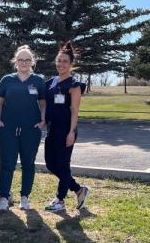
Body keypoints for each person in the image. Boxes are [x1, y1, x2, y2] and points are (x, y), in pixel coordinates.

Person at [0, 45, 46, 211]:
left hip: (31, 129)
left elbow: (44, 103)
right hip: (8, 128)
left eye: (27, 60)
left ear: (32, 62)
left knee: (28, 164)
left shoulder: (38, 81)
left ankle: (24, 197)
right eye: (21, 60)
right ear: (16, 62)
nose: (24, 62)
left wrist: (43, 121)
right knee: (8, 163)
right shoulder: (7, 80)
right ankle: (4, 197)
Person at [44, 41, 91, 212]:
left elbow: (74, 110)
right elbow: (44, 105)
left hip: (66, 130)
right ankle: (79, 190)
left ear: (71, 64)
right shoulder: (50, 82)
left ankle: (60, 200)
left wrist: (71, 132)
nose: (61, 64)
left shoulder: (74, 85)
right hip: (52, 129)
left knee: (63, 165)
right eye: (59, 61)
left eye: (65, 61)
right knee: (50, 164)